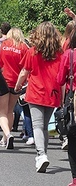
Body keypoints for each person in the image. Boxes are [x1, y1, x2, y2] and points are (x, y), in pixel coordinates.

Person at [15, 21, 63, 173]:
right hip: (52, 93)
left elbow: (24, 71)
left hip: (36, 92)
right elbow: (61, 77)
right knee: (44, 126)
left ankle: (41, 155)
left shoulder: (33, 51)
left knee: (37, 125)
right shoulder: (60, 53)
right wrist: (61, 97)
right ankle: (43, 155)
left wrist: (17, 85)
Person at [0, 28, 29, 149]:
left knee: (1, 112)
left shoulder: (2, 45)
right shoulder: (24, 48)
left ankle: (8, 135)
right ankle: (5, 138)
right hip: (17, 82)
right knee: (10, 111)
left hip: (3, 81)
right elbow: (26, 66)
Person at [57, 27, 76, 186]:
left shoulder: (69, 55)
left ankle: (75, 178)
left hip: (73, 98)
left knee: (73, 139)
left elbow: (60, 79)